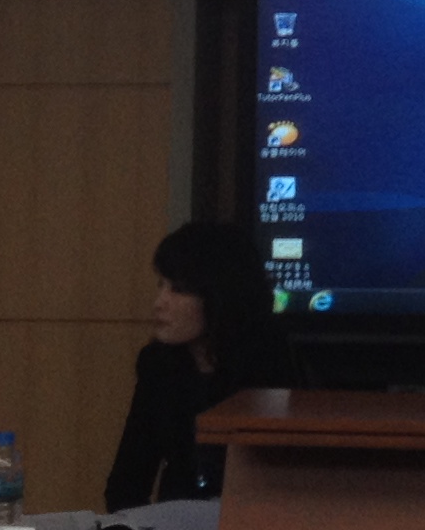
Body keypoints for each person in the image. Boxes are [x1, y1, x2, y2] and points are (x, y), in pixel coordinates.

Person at [103, 218, 294, 509]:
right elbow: (126, 483)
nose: (159, 302)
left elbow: (285, 485)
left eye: (178, 289)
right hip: (173, 524)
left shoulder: (270, 364)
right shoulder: (158, 365)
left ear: (219, 294)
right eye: (161, 285)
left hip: (253, 523)